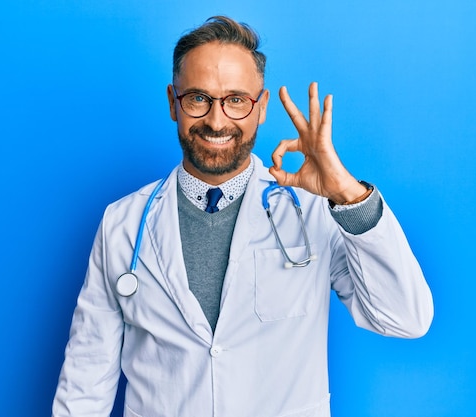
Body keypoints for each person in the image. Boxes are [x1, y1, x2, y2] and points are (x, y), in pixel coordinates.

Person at [52, 15, 433, 417]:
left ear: (261, 107)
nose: (217, 121)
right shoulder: (123, 224)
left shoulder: (312, 211)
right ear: (172, 102)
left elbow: (405, 318)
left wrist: (347, 194)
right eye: (198, 98)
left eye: (236, 100)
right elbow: (84, 382)